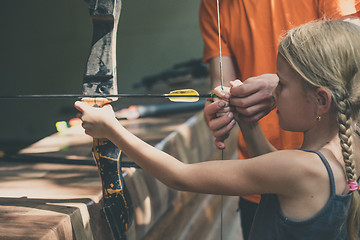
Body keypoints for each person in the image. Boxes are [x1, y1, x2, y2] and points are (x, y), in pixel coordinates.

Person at [75, 19, 360, 239]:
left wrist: (111, 129)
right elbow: (276, 173)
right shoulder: (345, 150)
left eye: (281, 85)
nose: (273, 94)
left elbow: (181, 176)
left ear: (321, 100)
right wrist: (248, 125)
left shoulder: (301, 168)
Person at [199, 1, 360, 238]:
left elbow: (349, 64)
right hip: (258, 180)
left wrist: (277, 84)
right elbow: (220, 81)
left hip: (328, 176)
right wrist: (223, 104)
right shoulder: (214, 5)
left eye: (281, 86)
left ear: (321, 99)